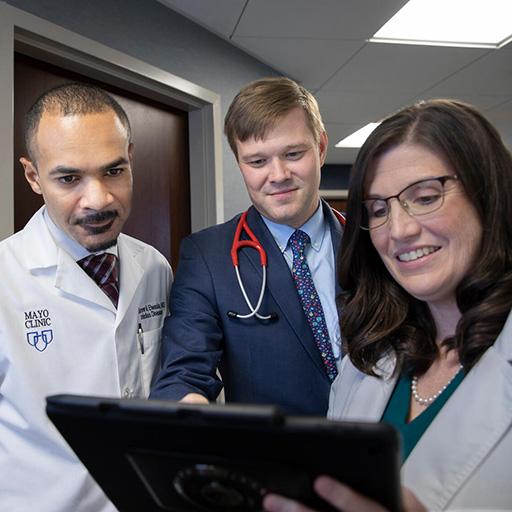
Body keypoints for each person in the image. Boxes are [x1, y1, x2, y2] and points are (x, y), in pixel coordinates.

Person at [263, 99, 512, 511]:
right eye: (378, 210)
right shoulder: (367, 361)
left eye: (427, 197)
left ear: (490, 197)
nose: (399, 230)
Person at [0, 83, 173, 512]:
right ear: (33, 176)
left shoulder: (154, 268)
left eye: (114, 171)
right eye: (69, 178)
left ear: (131, 159)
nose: (98, 200)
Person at [151, 77, 344, 415]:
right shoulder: (208, 257)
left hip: (389, 450)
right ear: (240, 163)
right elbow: (185, 370)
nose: (278, 174)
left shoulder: (374, 240)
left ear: (322, 147)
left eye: (293, 154)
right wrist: (187, 408)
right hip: (276, 461)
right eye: (257, 162)